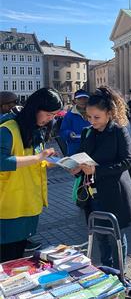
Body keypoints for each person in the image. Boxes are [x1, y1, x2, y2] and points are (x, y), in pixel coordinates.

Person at [71, 86, 131, 269]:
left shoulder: (119, 131)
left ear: (109, 113)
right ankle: (106, 270)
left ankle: (119, 274)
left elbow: (127, 161)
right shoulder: (89, 132)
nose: (92, 121)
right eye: (89, 117)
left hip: (114, 193)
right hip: (93, 194)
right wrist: (74, 166)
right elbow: (80, 154)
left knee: (115, 236)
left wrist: (96, 171)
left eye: (97, 117)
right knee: (99, 235)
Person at [0, 88, 63, 262]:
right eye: (49, 114)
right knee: (7, 261)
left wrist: (48, 162)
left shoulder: (35, 129)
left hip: (28, 206)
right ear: (35, 108)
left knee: (17, 259)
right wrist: (37, 158)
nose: (51, 119)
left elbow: (32, 161)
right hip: (8, 210)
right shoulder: (7, 129)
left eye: (54, 115)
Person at [59, 89, 91, 156]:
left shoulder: (93, 112)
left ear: (88, 99)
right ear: (75, 100)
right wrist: (69, 133)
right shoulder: (69, 115)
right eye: (79, 98)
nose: (82, 101)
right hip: (75, 149)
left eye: (85, 98)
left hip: (91, 148)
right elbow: (62, 131)